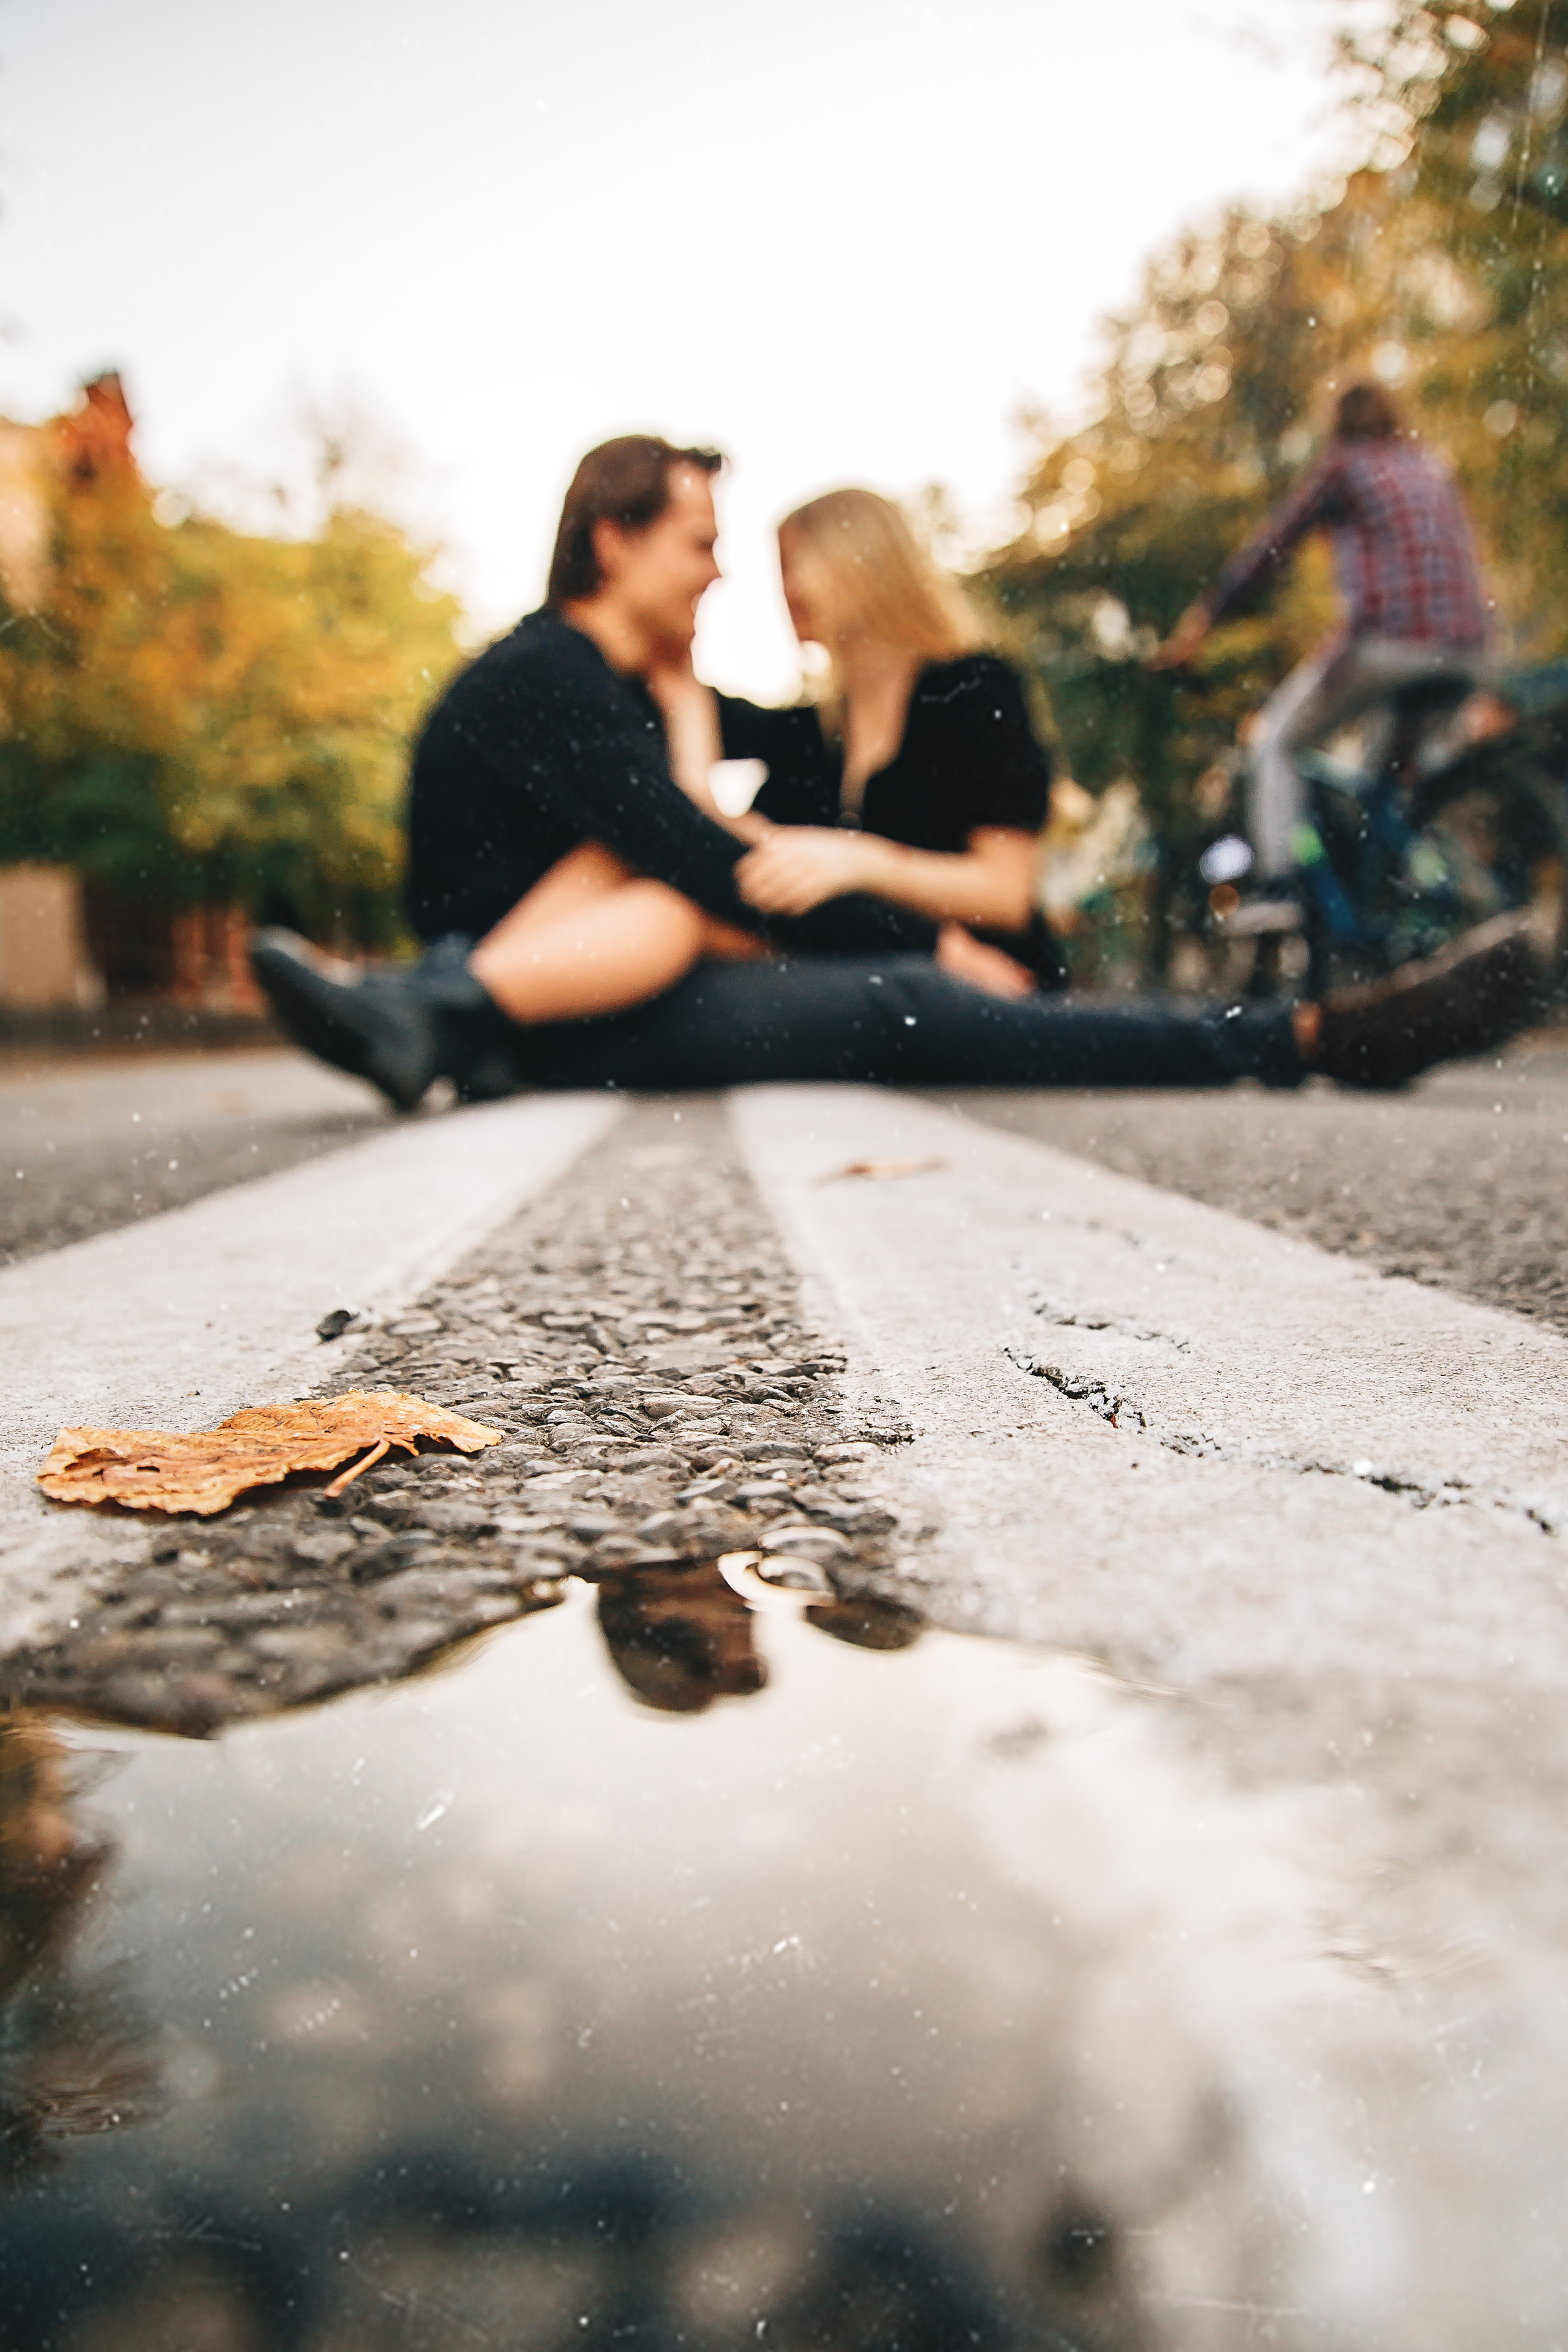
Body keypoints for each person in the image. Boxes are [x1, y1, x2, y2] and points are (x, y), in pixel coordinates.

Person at [252, 432, 1547, 1106]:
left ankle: (432, 1011)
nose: (724, 579)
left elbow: (716, 848)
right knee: (876, 994)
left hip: (615, 984)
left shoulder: (956, 693)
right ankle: (1304, 1036)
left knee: (870, 984)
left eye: (751, 558)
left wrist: (861, 884)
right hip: (577, 1000)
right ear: (614, 542)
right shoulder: (570, 683)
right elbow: (704, 854)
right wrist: (905, 943)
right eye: (701, 548)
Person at [704, 486, 1066, 992]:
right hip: (872, 1008)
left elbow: (1005, 894)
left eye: (794, 565)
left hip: (997, 999)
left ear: (860, 565)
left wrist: (861, 862)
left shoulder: (973, 690)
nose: (783, 589)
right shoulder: (811, 733)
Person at [1153, 382, 1490, 902]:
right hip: (1468, 649)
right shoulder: (1429, 467)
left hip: (1390, 644)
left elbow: (1268, 550)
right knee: (1391, 794)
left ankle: (1280, 885)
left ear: (1337, 422)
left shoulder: (1345, 465)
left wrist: (1200, 626)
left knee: (1277, 743)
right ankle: (1439, 900)